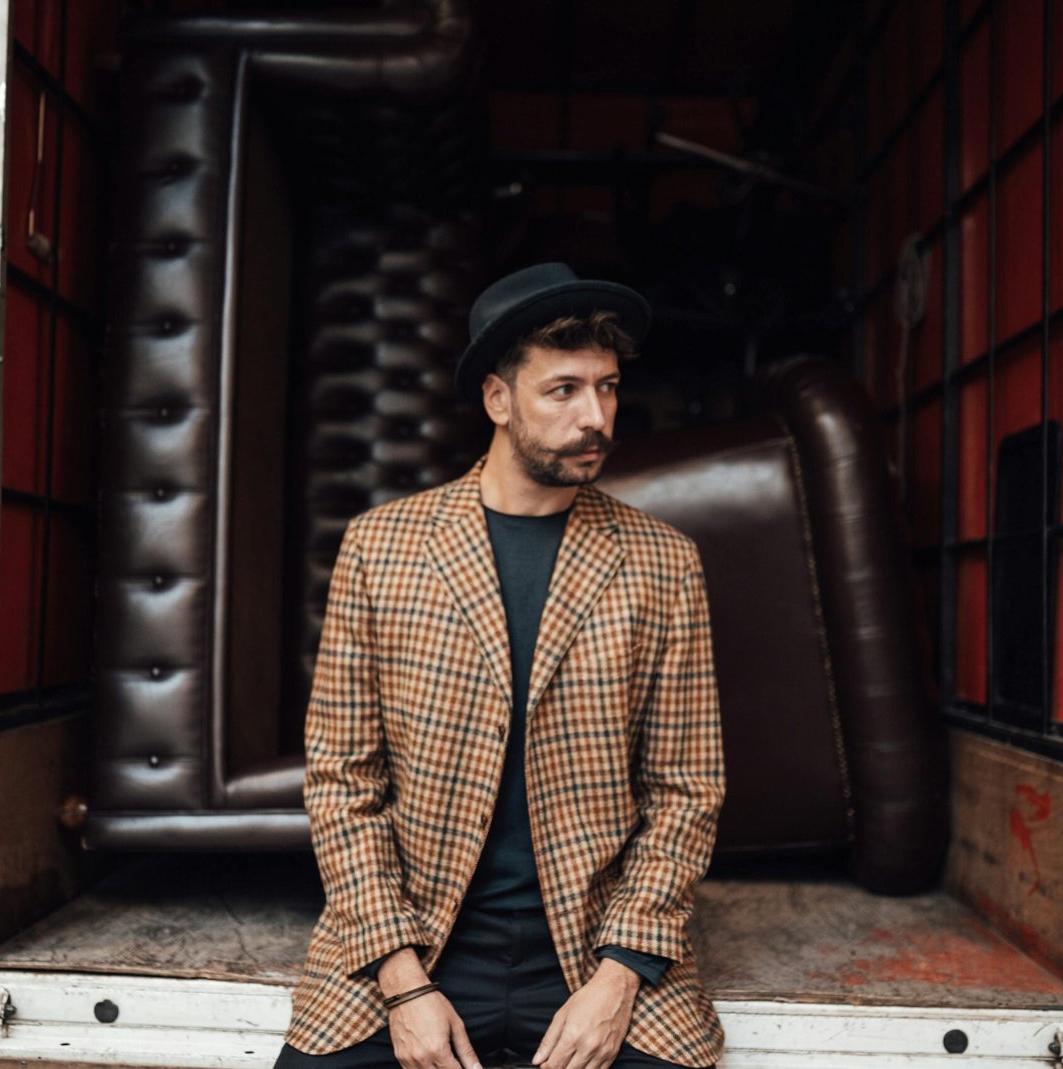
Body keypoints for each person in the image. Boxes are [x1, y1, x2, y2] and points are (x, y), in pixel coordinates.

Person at [276, 263, 727, 1069]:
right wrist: (405, 983)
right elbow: (343, 778)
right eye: (563, 390)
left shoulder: (664, 561)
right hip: (419, 942)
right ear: (497, 400)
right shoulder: (382, 548)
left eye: (609, 387)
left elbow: (687, 788)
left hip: (597, 947)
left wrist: (620, 974)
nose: (597, 417)